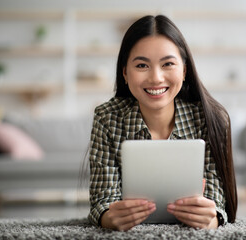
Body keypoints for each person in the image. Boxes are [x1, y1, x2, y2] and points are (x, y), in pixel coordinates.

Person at [88, 15, 237, 231]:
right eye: (142, 65)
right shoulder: (106, 118)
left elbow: (217, 204)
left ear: (184, 70)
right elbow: (102, 202)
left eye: (168, 64)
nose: (156, 78)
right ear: (125, 73)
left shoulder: (211, 119)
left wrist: (210, 218)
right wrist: (110, 218)